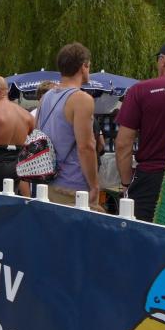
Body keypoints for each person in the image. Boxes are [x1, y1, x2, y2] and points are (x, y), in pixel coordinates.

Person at [116, 39, 165, 221]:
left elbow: (123, 144)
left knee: (143, 233)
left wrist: (126, 183)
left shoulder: (141, 90)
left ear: (163, 60)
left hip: (151, 179)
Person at [39, 43, 101, 210]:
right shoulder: (81, 99)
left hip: (47, 181)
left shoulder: (46, 97)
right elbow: (86, 147)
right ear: (83, 66)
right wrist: (94, 185)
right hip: (72, 186)